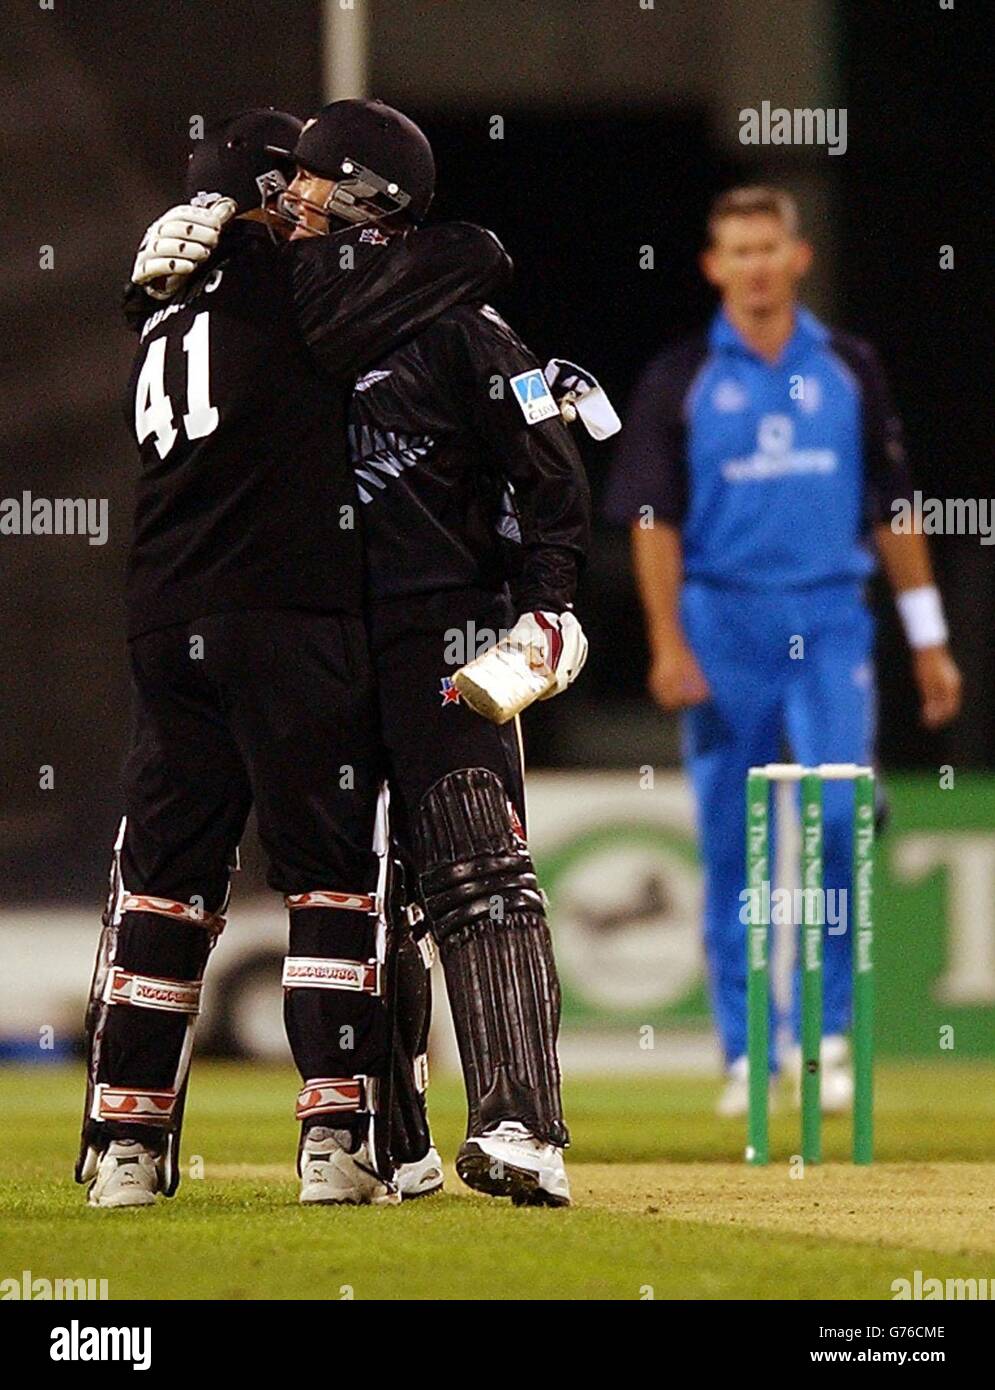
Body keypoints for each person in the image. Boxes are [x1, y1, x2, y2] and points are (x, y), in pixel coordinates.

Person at [78, 104, 511, 1208]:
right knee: (329, 883)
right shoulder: (291, 276)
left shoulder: (161, 306)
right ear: (262, 196)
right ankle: (335, 1141)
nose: (307, 200)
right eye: (293, 184)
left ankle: (124, 1150)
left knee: (163, 890)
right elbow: (469, 255)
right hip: (285, 613)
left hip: (161, 619)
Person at [605, 185, 961, 1115]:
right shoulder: (679, 377)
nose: (756, 267)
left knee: (838, 821)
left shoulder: (849, 366)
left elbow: (894, 507)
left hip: (830, 615)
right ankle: (744, 1054)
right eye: (738, 251)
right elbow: (651, 521)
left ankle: (832, 1037)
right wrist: (666, 641)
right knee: (734, 845)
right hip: (723, 624)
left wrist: (930, 642)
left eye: (770, 248)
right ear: (713, 266)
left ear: (796, 258)